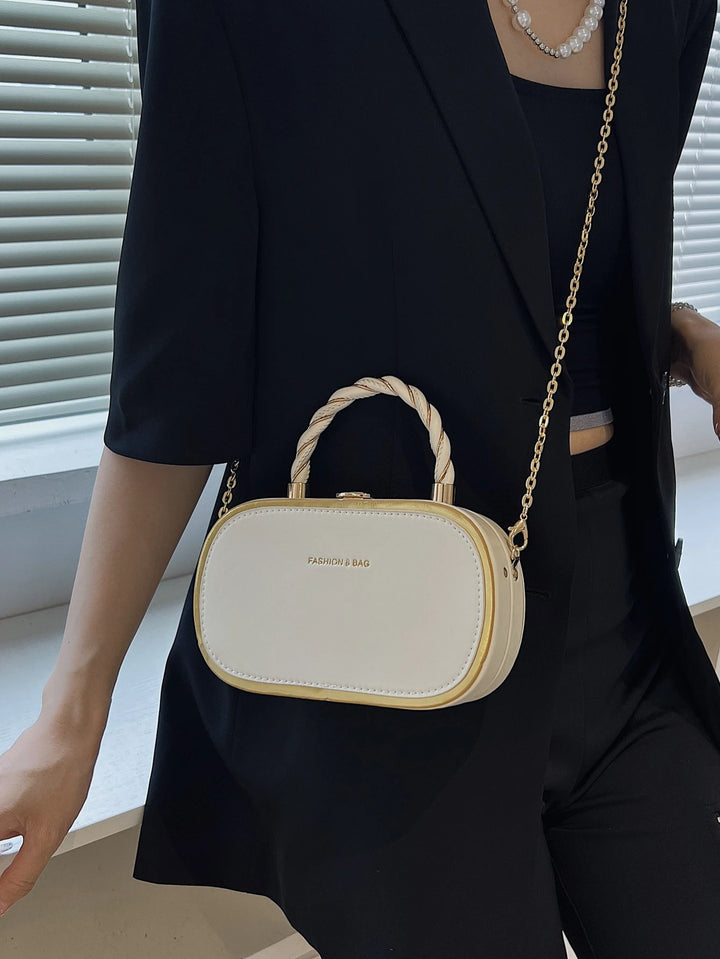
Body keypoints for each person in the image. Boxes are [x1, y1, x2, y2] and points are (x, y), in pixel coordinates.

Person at [1, 0, 720, 955]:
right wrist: (74, 706)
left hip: (623, 625)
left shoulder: (669, 10)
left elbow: (539, 259)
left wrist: (675, 333)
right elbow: (180, 367)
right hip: (389, 655)